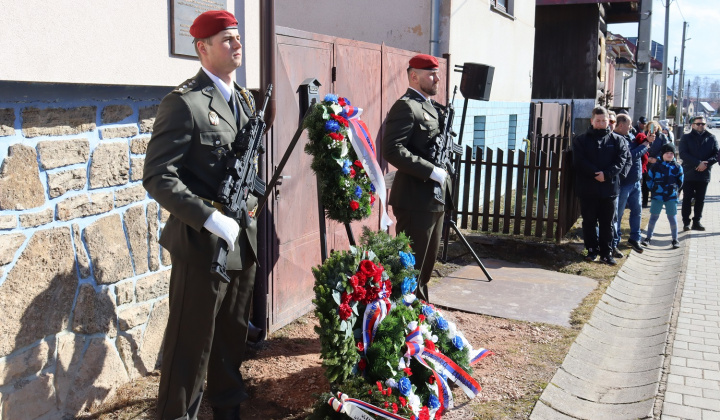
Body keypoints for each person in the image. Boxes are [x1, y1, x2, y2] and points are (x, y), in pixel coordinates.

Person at [143, 10, 257, 420]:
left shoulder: (243, 100)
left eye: (237, 37)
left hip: (242, 241)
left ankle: (227, 412)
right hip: (201, 244)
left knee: (231, 340)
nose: (237, 45)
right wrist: (210, 218)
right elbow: (158, 176)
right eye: (227, 39)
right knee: (190, 348)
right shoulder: (184, 103)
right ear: (203, 48)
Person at [382, 53, 449, 302]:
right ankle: (406, 323)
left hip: (433, 199)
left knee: (425, 268)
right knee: (411, 268)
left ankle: (418, 317)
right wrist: (430, 171)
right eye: (431, 74)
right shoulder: (406, 106)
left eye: (437, 73)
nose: (437, 78)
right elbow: (392, 149)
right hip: (414, 201)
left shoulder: (429, 106)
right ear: (414, 76)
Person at [572, 106, 630, 265]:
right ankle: (591, 250)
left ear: (609, 122)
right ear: (592, 121)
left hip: (609, 189)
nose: (600, 123)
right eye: (597, 120)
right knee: (589, 221)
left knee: (607, 223)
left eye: (604, 120)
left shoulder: (618, 141)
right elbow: (579, 161)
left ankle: (607, 252)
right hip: (588, 189)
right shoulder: (581, 140)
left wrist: (607, 174)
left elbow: (622, 160)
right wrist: (595, 173)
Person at [613, 114, 648, 255]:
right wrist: (645, 147)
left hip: (635, 181)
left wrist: (646, 141)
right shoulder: (617, 139)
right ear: (621, 125)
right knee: (618, 214)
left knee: (637, 211)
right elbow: (630, 155)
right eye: (629, 124)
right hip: (623, 183)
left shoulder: (630, 136)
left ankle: (635, 238)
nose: (631, 126)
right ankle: (615, 242)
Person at [679, 115, 719, 231]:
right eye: (698, 124)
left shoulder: (711, 137)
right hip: (689, 173)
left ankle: (697, 221)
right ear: (692, 125)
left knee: (700, 199)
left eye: (703, 124)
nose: (701, 126)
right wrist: (698, 163)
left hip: (704, 173)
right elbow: (683, 154)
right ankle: (686, 222)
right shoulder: (686, 137)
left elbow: (716, 154)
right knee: (687, 198)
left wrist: (706, 164)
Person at [642, 143, 684, 249]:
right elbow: (649, 180)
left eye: (671, 153)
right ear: (662, 154)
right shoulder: (656, 166)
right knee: (653, 217)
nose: (670, 155)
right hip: (657, 196)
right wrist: (655, 190)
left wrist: (675, 190)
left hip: (671, 196)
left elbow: (680, 181)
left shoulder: (677, 167)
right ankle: (648, 238)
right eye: (667, 153)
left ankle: (675, 239)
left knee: (672, 218)